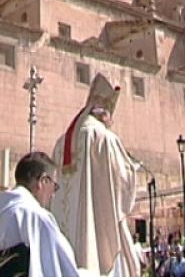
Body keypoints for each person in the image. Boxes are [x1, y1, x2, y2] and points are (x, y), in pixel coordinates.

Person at [51, 73, 142, 277]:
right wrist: (132, 169)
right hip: (99, 226)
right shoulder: (104, 138)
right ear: (104, 113)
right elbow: (121, 185)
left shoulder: (60, 143)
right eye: (111, 114)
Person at [0, 151, 83, 277]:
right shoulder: (35, 218)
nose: (53, 195)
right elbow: (64, 269)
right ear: (43, 181)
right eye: (55, 186)